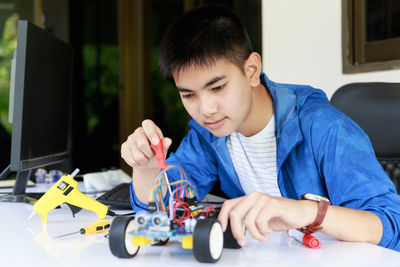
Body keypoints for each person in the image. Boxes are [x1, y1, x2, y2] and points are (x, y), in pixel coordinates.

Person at [121, 5, 400, 251]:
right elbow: (162, 211)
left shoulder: (325, 127)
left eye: (217, 87)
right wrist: (145, 168)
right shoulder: (208, 134)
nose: (205, 109)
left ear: (252, 71)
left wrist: (305, 212)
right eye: (189, 95)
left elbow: (389, 224)